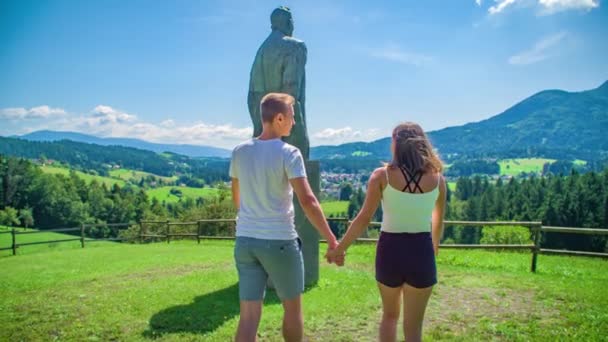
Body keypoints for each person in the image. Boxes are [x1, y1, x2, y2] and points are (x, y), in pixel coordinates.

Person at [230, 92, 340, 342]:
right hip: (279, 241)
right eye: (291, 117)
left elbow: (237, 196)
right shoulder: (289, 153)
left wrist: (249, 219)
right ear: (279, 118)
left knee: (248, 317)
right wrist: (332, 239)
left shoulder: (239, 151)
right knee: (292, 311)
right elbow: (308, 201)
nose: (294, 122)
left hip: (245, 241)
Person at [327, 122, 446, 342]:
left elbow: (363, 218)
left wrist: (339, 249)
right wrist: (434, 249)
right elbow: (438, 220)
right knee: (414, 327)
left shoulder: (382, 176)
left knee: (390, 317)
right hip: (422, 252)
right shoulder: (438, 179)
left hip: (390, 251)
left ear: (396, 145)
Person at [248, 6, 309, 159]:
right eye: (292, 22)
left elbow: (251, 97)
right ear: (288, 23)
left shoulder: (261, 51)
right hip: (287, 133)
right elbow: (291, 91)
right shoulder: (294, 46)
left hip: (261, 130)